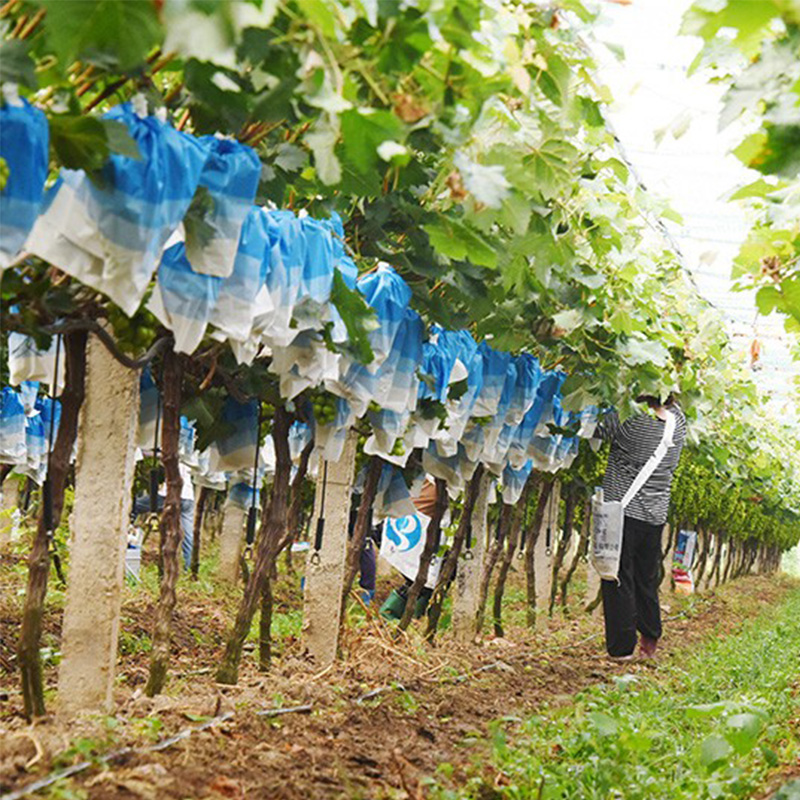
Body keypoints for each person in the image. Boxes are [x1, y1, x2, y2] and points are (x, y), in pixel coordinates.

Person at [595, 394, 687, 661]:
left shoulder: (629, 419)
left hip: (622, 512)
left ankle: (622, 648)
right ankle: (650, 638)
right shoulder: (678, 422)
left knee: (617, 576)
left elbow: (594, 429)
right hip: (655, 515)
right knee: (646, 578)